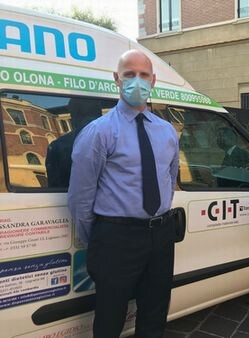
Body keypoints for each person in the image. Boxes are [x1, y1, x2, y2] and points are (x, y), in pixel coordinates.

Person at [68, 49, 179, 338]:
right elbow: (81, 198)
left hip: (161, 235)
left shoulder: (167, 132)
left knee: (155, 315)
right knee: (109, 319)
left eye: (144, 75)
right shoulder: (99, 132)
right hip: (116, 238)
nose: (137, 82)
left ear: (153, 81)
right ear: (117, 79)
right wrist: (103, 236)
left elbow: (170, 177)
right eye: (130, 75)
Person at [46, 98, 102, 188]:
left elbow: (54, 187)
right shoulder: (119, 140)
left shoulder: (57, 146)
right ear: (100, 114)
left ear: (73, 116)